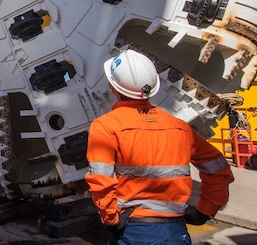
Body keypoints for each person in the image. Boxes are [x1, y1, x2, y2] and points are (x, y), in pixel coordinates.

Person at [85, 49, 234, 244]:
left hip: (134, 230)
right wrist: (205, 210)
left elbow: (101, 180)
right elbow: (219, 171)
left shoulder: (106, 126)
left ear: (113, 86)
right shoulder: (180, 128)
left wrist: (110, 218)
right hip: (176, 231)